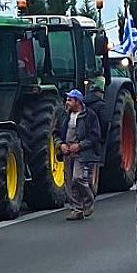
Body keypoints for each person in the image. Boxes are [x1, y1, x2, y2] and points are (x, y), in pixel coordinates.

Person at [54, 89, 101, 220]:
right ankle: (77, 209)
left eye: (70, 100)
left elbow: (95, 136)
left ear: (78, 101)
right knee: (69, 182)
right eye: (67, 100)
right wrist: (61, 144)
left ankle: (88, 202)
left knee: (78, 178)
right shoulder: (64, 116)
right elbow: (56, 133)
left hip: (83, 153)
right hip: (67, 152)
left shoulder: (90, 116)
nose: (67, 102)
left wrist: (80, 146)